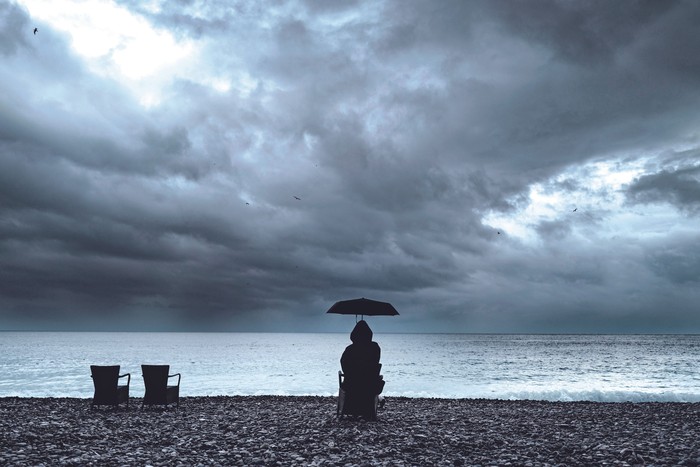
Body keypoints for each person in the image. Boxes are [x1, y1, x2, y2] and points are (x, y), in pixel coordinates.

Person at [340, 320, 384, 419]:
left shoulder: (350, 349)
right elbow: (375, 362)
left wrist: (350, 373)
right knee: (365, 383)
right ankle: (368, 412)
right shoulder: (375, 347)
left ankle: (352, 410)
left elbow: (343, 363)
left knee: (354, 383)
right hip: (369, 383)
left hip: (351, 383)